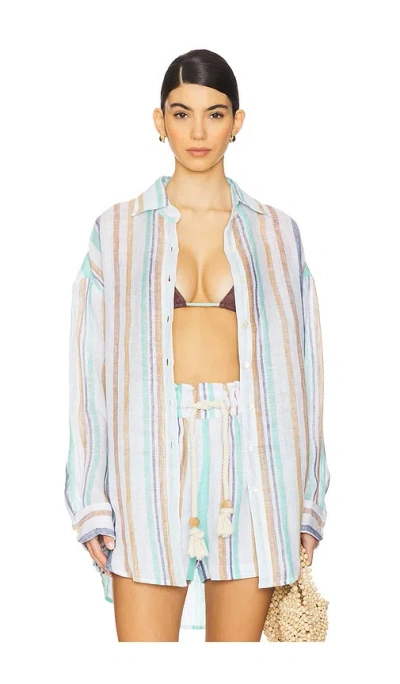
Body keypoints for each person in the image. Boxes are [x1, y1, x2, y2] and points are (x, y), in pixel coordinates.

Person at [64, 48, 330, 642]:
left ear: (238, 121)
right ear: (159, 121)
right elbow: (89, 371)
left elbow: (307, 372)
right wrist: (90, 499)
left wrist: (309, 499)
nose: (198, 131)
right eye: (182, 113)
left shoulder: (278, 233)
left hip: (257, 465)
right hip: (146, 462)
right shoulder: (118, 230)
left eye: (215, 114)